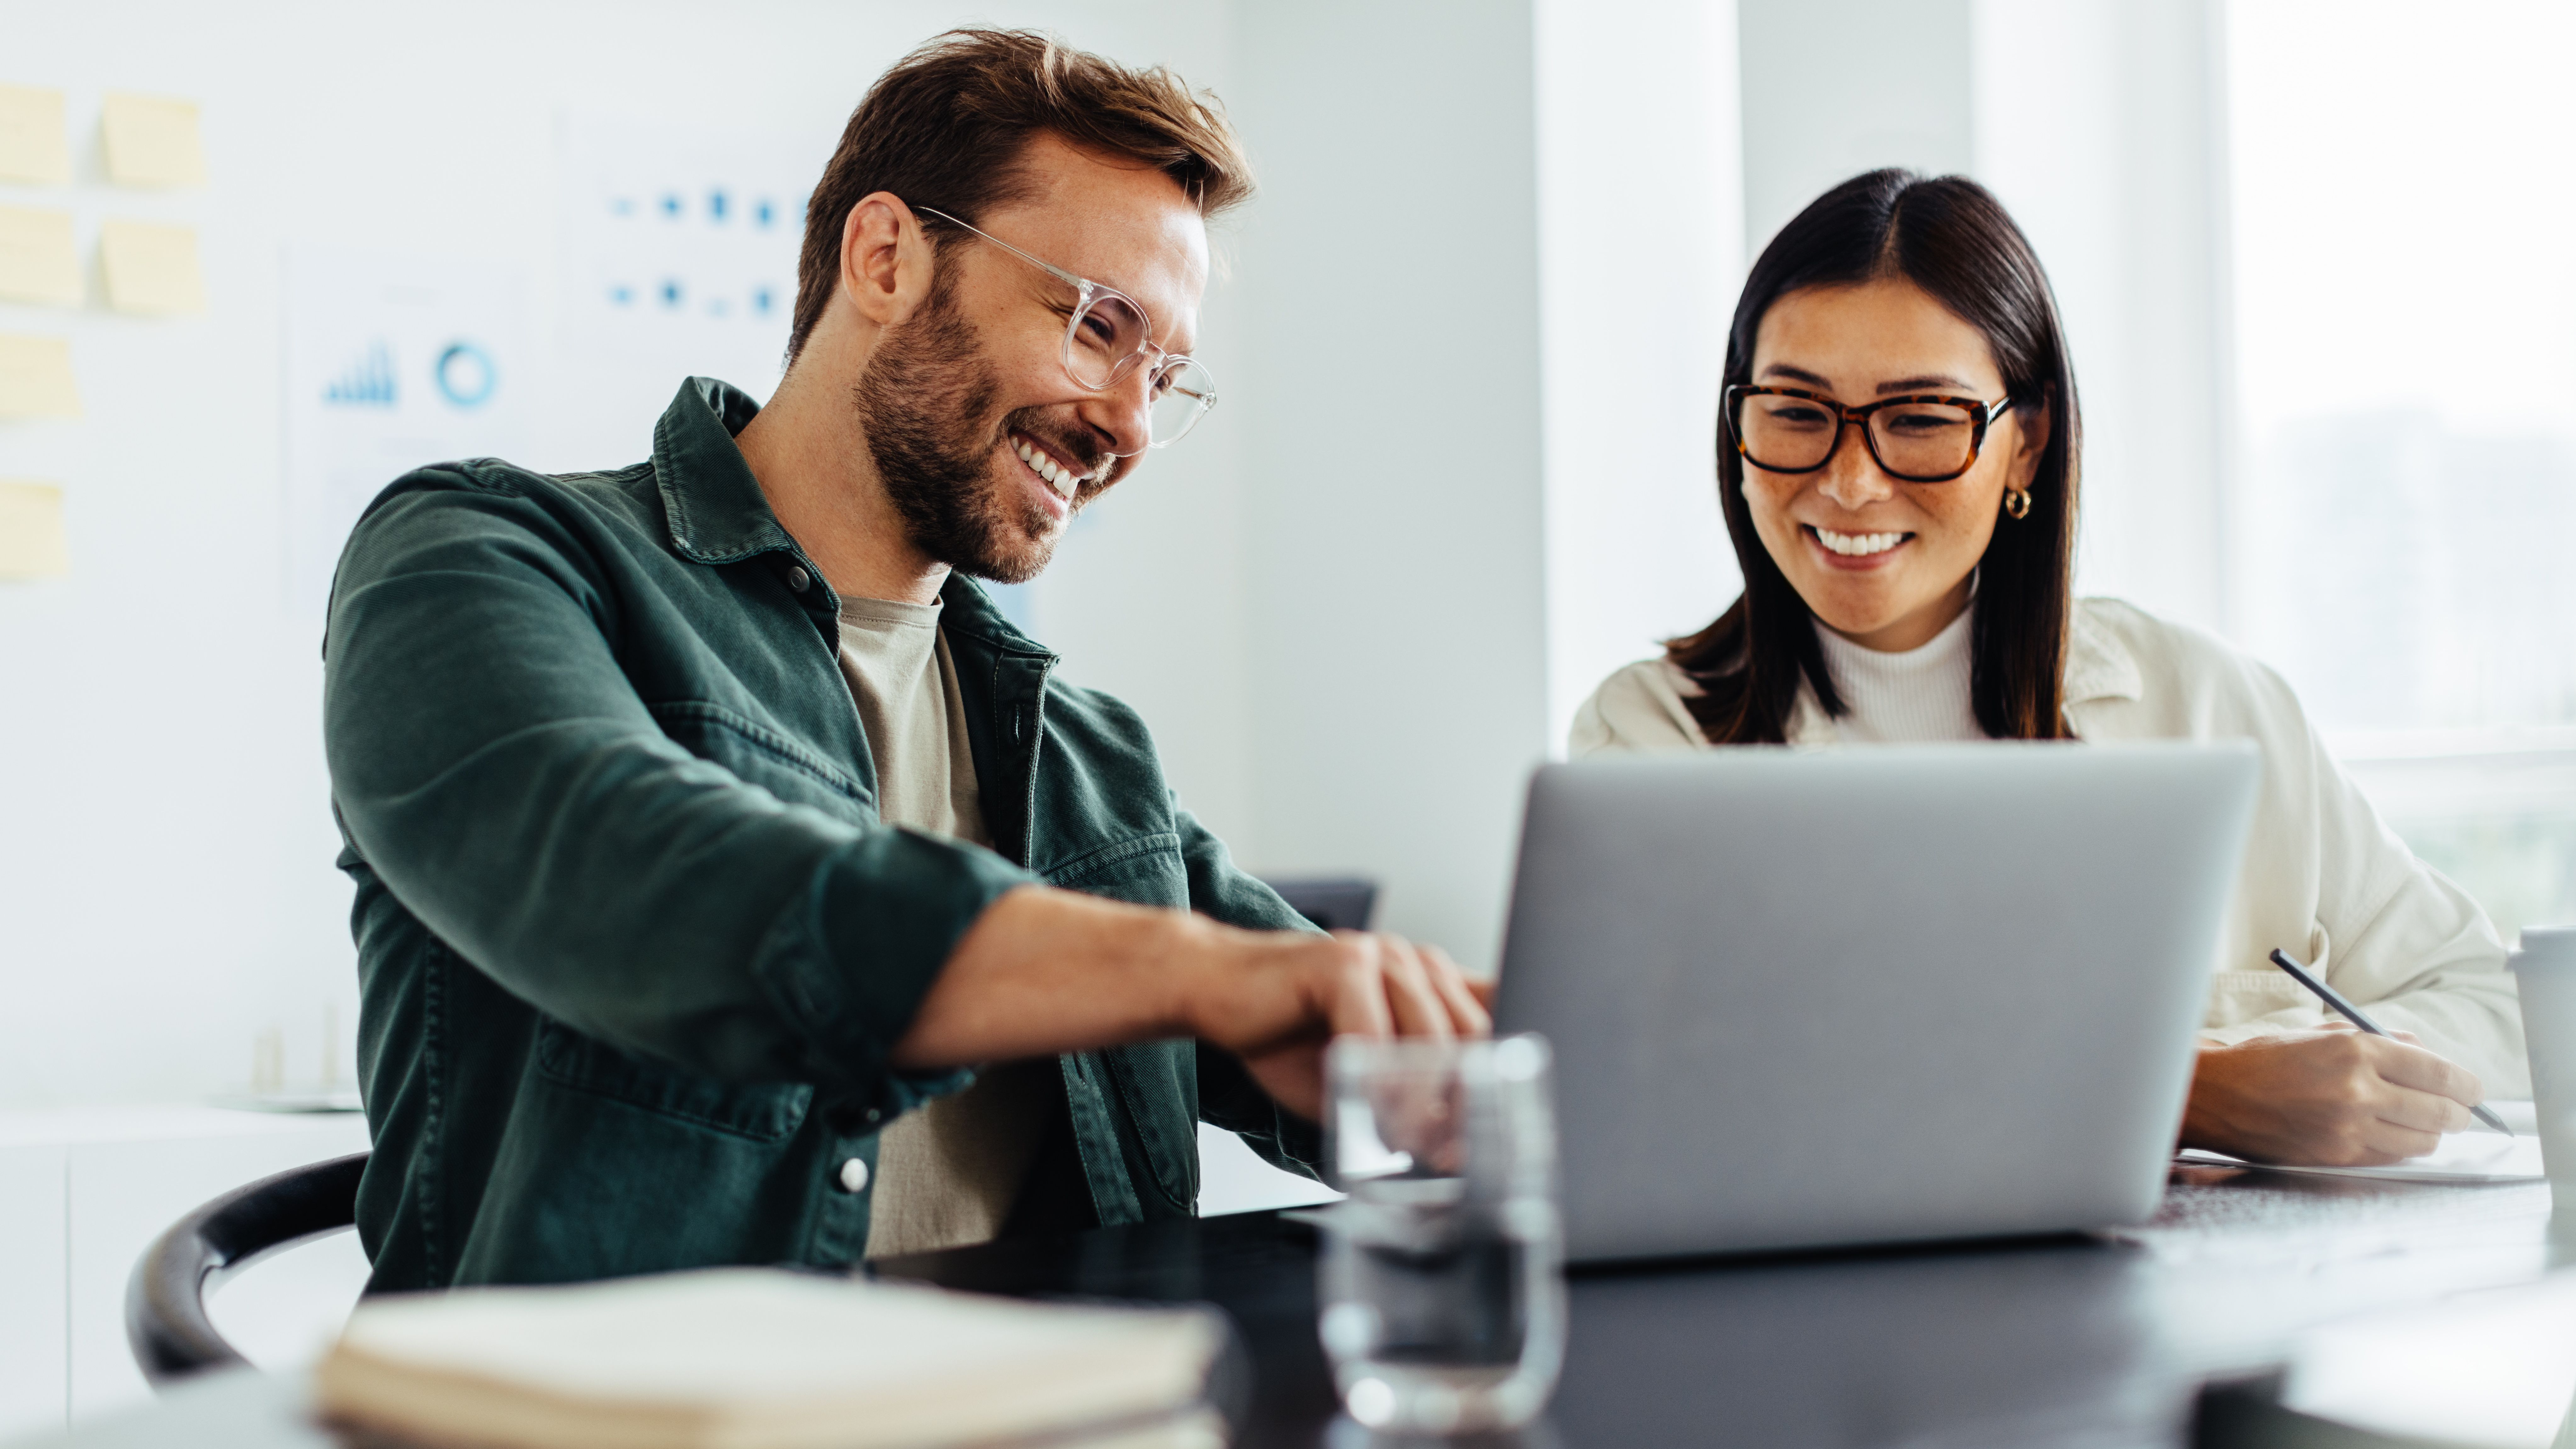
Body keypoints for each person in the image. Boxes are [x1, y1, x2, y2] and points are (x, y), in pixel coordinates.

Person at [323, 29, 1485, 1291]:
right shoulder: (485, 554)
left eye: (1166, 374)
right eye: (1099, 326)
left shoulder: (1089, 757)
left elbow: (1319, 1011)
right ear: (885, 257)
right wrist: (1198, 972)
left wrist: (1469, 1056)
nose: (1130, 427)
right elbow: (643, 870)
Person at [1571, 169, 2521, 1169]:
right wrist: (2187, 1091)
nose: (1850, 481)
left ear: (2025, 445)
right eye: (1797, 412)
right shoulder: (1648, 741)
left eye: (1922, 419)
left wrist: (2319, 1074)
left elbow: (2499, 1008)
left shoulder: (2206, 703)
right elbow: (1666, 1092)